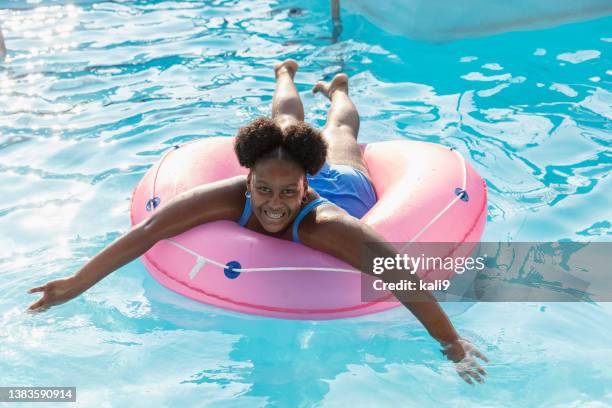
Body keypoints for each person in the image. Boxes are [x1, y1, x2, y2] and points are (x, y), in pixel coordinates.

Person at [27, 59, 488, 384]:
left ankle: (338, 90)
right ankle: (284, 72)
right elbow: (150, 231)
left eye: (288, 192)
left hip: (349, 187)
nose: (273, 204)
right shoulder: (231, 195)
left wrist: (452, 344)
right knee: (283, 120)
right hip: (286, 160)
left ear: (306, 185)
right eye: (263, 189)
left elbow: (400, 276)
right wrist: (74, 285)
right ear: (246, 177)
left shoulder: (328, 223)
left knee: (342, 134)